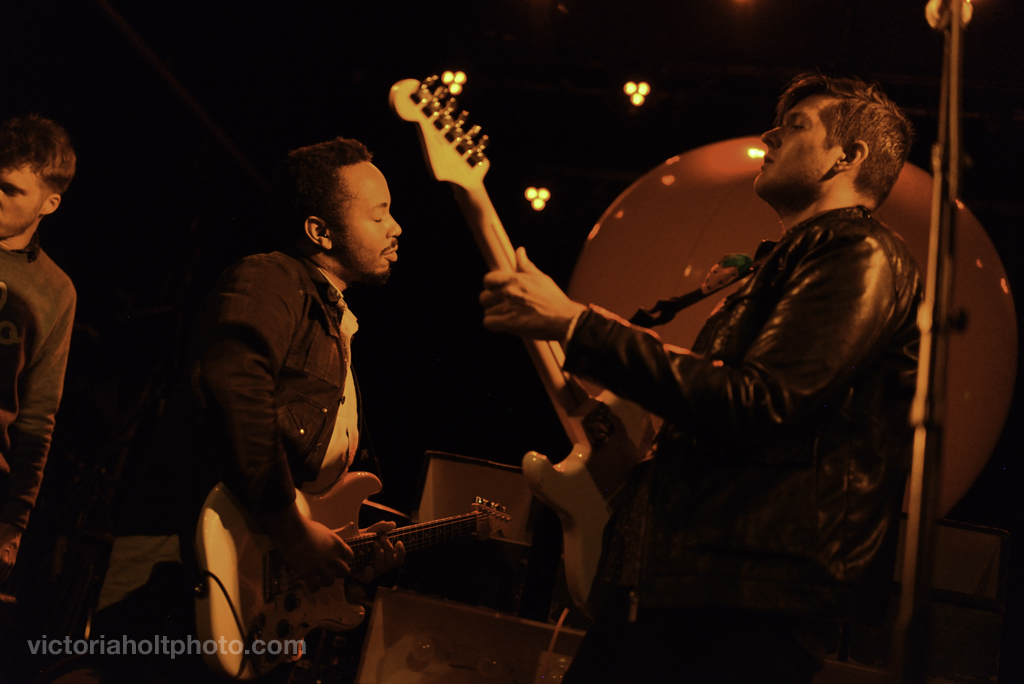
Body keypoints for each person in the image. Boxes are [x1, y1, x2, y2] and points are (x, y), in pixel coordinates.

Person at [480, 73, 920, 682]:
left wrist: (579, 326)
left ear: (848, 156)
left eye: (796, 126)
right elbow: (724, 402)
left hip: (742, 598)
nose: (769, 135)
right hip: (688, 582)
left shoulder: (858, 252)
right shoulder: (794, 258)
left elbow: (763, 400)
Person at [94, 137, 405, 679]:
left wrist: (351, 544)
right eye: (379, 215)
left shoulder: (336, 326)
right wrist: (288, 526)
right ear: (320, 232)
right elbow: (234, 381)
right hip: (183, 560)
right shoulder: (271, 277)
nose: (395, 227)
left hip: (248, 584)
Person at [0, 115, 77, 586]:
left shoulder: (55, 291)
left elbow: (37, 416)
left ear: (49, 203)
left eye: (10, 190)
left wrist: (13, 524)